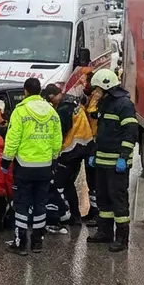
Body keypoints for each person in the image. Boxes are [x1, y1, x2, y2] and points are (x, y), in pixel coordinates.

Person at [2, 77, 62, 255]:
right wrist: (53, 160)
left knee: (21, 205)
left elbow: (12, 140)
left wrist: (6, 161)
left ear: (25, 91)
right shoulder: (52, 112)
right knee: (40, 204)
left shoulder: (20, 111)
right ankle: (37, 242)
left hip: (24, 167)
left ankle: (20, 243)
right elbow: (57, 141)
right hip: (44, 167)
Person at [88, 69, 138, 252]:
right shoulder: (105, 104)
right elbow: (100, 133)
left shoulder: (124, 105)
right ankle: (105, 232)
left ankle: (122, 238)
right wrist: (94, 152)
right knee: (103, 198)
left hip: (117, 162)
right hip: (102, 160)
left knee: (118, 200)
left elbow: (130, 132)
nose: (95, 92)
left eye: (97, 89)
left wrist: (124, 157)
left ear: (107, 87)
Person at [44, 83, 94, 232]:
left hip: (71, 149)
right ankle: (75, 216)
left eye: (49, 100)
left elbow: (61, 131)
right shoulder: (72, 100)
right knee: (69, 183)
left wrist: (54, 152)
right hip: (84, 145)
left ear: (52, 96)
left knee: (62, 183)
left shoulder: (64, 108)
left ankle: (68, 215)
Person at [81, 70, 104, 226]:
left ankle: (98, 213)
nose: (85, 84)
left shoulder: (98, 94)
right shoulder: (92, 94)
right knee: (91, 181)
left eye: (87, 81)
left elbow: (92, 113)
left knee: (96, 181)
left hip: (97, 142)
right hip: (91, 141)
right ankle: (93, 211)